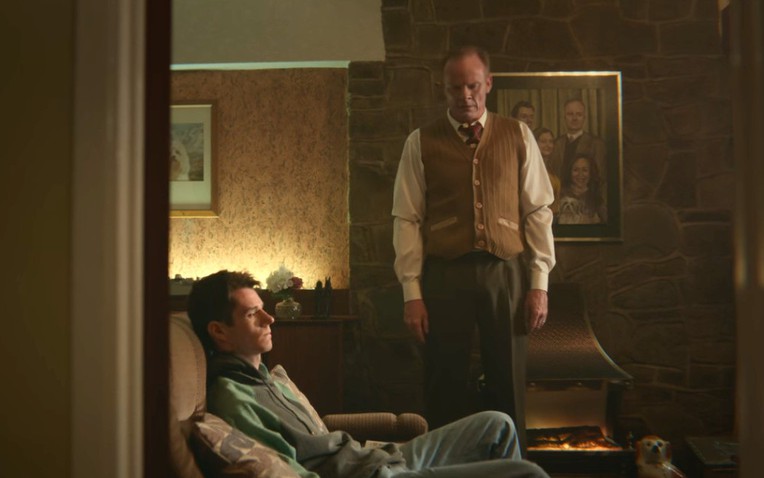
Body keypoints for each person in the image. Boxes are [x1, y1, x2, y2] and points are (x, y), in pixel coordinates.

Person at [187, 270, 551, 478]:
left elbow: (319, 438)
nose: (269, 319)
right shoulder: (233, 397)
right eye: (253, 314)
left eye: (263, 309)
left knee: (497, 423)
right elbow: (288, 469)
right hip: (376, 477)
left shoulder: (266, 377)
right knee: (528, 473)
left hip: (378, 458)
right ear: (219, 331)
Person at [391, 46, 556, 451]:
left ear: (488, 83)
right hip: (444, 274)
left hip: (506, 272)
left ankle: (509, 469)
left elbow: (538, 211)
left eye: (473, 86)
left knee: (508, 382)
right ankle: (443, 470)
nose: (464, 96)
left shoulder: (518, 135)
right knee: (444, 383)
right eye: (455, 88)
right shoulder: (420, 142)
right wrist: (412, 292)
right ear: (443, 88)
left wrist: (539, 284)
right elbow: (407, 218)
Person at [548, 98, 606, 185]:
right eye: (570, 114)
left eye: (579, 114)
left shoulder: (596, 144)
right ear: (564, 117)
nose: (574, 118)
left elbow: (600, 178)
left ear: (584, 118)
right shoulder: (556, 144)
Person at [557, 154, 606, 224]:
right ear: (570, 172)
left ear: (591, 173)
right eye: (576, 170)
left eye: (584, 170)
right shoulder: (560, 194)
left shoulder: (597, 199)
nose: (580, 174)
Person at [533, 127, 561, 214]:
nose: (548, 145)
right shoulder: (531, 169)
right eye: (543, 141)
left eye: (550, 142)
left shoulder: (551, 168)